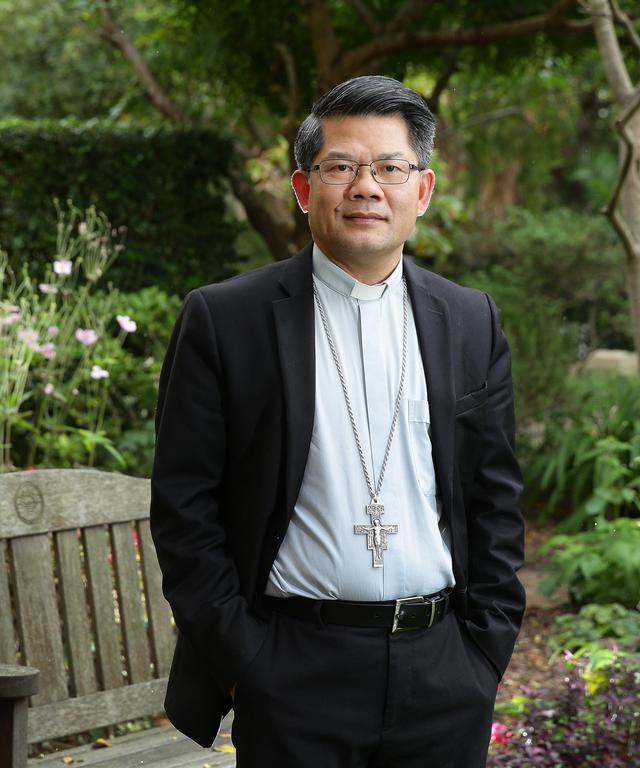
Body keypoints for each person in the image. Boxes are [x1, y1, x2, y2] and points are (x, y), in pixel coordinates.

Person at [149, 75, 525, 768]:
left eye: (390, 167)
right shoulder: (226, 321)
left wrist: (484, 653)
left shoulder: (471, 321)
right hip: (293, 671)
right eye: (341, 167)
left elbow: (495, 499)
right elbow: (183, 510)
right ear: (303, 189)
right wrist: (247, 663)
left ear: (423, 189)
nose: (366, 186)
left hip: (445, 672)